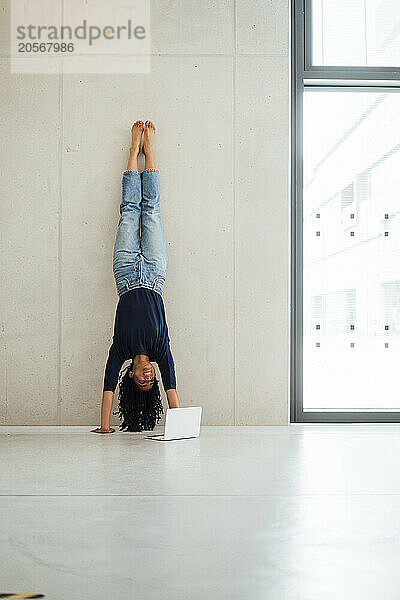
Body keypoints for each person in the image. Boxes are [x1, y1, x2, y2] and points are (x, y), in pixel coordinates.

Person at [91, 121, 180, 434]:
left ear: (130, 376)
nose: (149, 378)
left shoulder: (120, 350)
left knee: (130, 210)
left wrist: (105, 426)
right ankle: (150, 151)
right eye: (151, 381)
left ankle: (133, 151)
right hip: (155, 273)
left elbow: (106, 388)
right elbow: (172, 387)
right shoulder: (160, 351)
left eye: (142, 382)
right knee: (152, 210)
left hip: (126, 273)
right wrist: (179, 427)